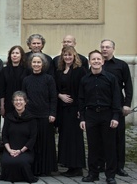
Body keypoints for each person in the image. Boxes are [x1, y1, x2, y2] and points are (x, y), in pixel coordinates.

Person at [79, 50, 121, 184]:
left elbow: (116, 98)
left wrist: (115, 116)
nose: (96, 61)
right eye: (93, 59)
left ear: (102, 61)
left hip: (107, 115)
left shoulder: (111, 78)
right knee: (93, 146)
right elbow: (81, 100)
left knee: (109, 146)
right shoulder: (85, 79)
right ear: (89, 61)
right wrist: (82, 119)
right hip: (91, 115)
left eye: (98, 59)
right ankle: (93, 173)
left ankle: (110, 175)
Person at [101, 39, 133, 177]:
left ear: (113, 49)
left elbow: (129, 86)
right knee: (101, 137)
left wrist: (127, 104)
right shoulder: (97, 64)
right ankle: (102, 164)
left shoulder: (121, 65)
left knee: (118, 138)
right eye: (102, 47)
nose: (104, 49)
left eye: (107, 47)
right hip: (101, 106)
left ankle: (119, 166)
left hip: (118, 106)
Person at [22, 53, 58, 176]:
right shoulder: (26, 80)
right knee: (33, 142)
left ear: (43, 64)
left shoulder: (49, 79)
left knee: (45, 143)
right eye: (34, 62)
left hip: (45, 115)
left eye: (39, 62)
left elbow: (53, 98)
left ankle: (45, 168)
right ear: (30, 64)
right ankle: (33, 167)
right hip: (31, 115)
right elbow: (24, 98)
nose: (36, 64)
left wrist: (52, 113)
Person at [54, 46, 86, 177]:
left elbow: (83, 91)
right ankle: (68, 165)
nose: (67, 57)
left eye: (70, 55)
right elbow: (55, 87)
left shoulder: (80, 71)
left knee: (75, 138)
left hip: (75, 109)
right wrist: (59, 95)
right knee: (65, 137)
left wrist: (81, 109)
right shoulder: (60, 70)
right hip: (63, 110)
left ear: (74, 56)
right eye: (65, 55)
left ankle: (77, 167)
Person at [0, 91, 38, 183]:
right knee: (6, 162)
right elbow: (4, 136)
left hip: (25, 151)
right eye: (16, 100)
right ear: (13, 103)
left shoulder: (32, 119)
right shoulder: (9, 117)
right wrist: (9, 150)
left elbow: (32, 138)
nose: (18, 102)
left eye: (21, 100)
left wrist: (20, 151)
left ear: (25, 102)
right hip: (10, 149)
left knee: (21, 162)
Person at [0, 45, 29, 116]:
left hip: (23, 103)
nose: (14, 55)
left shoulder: (27, 70)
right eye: (12, 53)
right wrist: (2, 106)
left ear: (21, 55)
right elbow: (2, 89)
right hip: (8, 103)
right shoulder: (4, 70)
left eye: (17, 53)